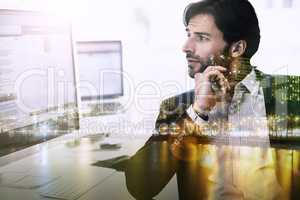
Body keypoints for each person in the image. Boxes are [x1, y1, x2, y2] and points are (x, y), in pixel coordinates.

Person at [155, 0, 275, 139]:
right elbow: (149, 160)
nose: (186, 47)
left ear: (237, 48)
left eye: (201, 38)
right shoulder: (172, 107)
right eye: (189, 35)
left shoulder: (290, 96)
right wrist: (197, 111)